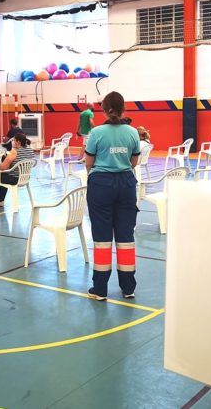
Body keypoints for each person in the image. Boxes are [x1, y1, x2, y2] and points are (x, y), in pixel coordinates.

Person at [84, 92, 140, 301]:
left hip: (101, 186)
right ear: (123, 108)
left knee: (102, 238)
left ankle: (100, 289)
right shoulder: (133, 132)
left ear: (103, 109)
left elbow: (89, 163)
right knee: (126, 237)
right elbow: (134, 163)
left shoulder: (96, 133)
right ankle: (128, 287)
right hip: (126, 185)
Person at [0, 132, 36, 211]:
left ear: (18, 142)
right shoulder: (30, 150)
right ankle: (0, 201)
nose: (12, 142)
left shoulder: (14, 152)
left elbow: (3, 167)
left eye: (14, 140)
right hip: (25, 178)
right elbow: (34, 164)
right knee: (4, 175)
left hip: (14, 179)